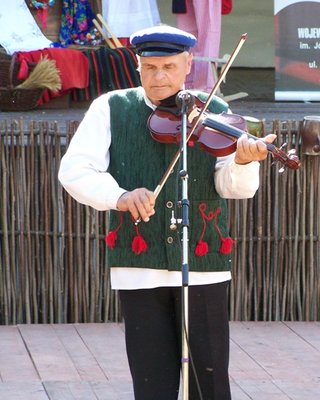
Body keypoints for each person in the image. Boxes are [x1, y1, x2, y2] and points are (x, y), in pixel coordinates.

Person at [58, 25, 275, 400]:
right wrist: (120, 195)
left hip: (204, 264)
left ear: (188, 63)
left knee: (210, 381)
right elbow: (74, 170)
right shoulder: (111, 107)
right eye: (150, 67)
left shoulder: (214, 110)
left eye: (169, 67)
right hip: (138, 264)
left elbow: (235, 188)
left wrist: (242, 162)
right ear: (136, 65)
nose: (160, 77)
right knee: (151, 381)